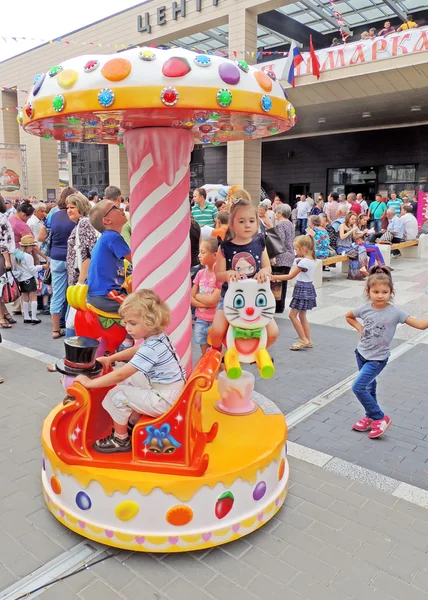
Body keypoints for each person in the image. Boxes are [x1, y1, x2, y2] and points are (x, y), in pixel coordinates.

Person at [75, 290, 186, 454]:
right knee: (133, 379)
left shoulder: (152, 348)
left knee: (117, 394)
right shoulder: (158, 338)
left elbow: (121, 374)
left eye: (133, 324)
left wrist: (90, 383)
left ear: (150, 322)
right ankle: (132, 420)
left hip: (165, 399)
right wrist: (110, 359)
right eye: (126, 323)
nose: (127, 328)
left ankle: (120, 439)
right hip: (170, 390)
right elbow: (137, 350)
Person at [345, 266, 428, 439]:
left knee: (358, 387)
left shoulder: (396, 312)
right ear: (368, 292)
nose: (380, 295)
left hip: (377, 359)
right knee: (369, 387)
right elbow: (348, 316)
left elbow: (420, 325)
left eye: (385, 291)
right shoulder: (364, 309)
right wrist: (359, 328)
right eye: (376, 291)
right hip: (361, 354)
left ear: (391, 292)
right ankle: (370, 417)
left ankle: (380, 417)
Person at [210, 190, 277, 351]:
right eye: (241, 221)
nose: (247, 225)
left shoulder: (260, 242)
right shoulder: (225, 247)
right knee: (217, 330)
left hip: (256, 298)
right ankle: (216, 354)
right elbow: (218, 275)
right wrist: (227, 274)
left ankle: (256, 351)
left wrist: (264, 272)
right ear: (232, 224)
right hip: (231, 297)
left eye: (251, 221)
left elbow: (267, 267)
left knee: (273, 332)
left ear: (257, 222)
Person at [87, 200, 132, 314]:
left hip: (100, 294)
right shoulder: (113, 237)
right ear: (106, 220)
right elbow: (136, 261)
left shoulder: (107, 237)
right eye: (115, 207)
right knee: (142, 308)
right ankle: (132, 331)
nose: (121, 209)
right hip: (106, 294)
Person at [272, 235, 316, 351]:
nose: (295, 252)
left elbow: (290, 276)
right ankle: (308, 340)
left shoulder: (303, 263)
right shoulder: (311, 261)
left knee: (292, 315)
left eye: (296, 249)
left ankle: (303, 339)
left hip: (301, 289)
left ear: (304, 248)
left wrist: (274, 276)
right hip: (307, 288)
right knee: (302, 316)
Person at [42, 192, 75, 339]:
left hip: (55, 256)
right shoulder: (76, 217)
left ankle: (56, 329)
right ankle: (71, 328)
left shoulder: (54, 215)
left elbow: (44, 235)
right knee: (73, 294)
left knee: (57, 295)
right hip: (72, 258)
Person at [191, 237, 221, 354]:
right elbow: (190, 298)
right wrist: (205, 301)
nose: (199, 255)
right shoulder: (200, 274)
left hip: (215, 321)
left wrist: (198, 297)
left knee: (217, 353)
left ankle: (222, 372)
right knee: (205, 353)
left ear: (214, 255)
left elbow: (213, 301)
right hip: (200, 320)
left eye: (202, 252)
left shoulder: (219, 276)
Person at [12, 235, 45, 324]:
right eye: (31, 246)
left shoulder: (17, 255)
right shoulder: (28, 256)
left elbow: (15, 268)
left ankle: (26, 316)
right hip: (29, 278)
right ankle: (34, 317)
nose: (32, 248)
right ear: (27, 246)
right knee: (33, 297)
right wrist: (42, 267)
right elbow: (32, 269)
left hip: (21, 279)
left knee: (25, 297)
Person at [272, 203, 295, 313]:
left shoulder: (280, 225)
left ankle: (277, 306)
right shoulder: (290, 224)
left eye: (276, 212)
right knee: (284, 282)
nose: (275, 214)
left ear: (280, 213)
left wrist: (273, 256)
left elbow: (279, 241)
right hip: (289, 255)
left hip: (281, 256)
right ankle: (281, 306)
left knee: (277, 282)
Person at [0, 195, 17, 327]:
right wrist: (6, 259)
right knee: (1, 286)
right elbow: (3, 240)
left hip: (3, 253)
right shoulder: (1, 217)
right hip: (2, 255)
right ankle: (1, 317)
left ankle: (5, 313)